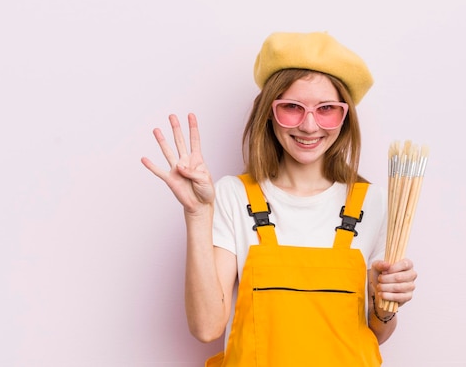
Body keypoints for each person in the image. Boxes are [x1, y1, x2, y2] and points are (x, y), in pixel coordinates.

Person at [141, 31, 417, 366]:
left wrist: (386, 305)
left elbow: (377, 333)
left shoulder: (377, 204)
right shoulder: (231, 195)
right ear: (269, 112)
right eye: (292, 107)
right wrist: (198, 214)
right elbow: (207, 327)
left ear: (344, 118)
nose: (310, 125)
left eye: (327, 108)